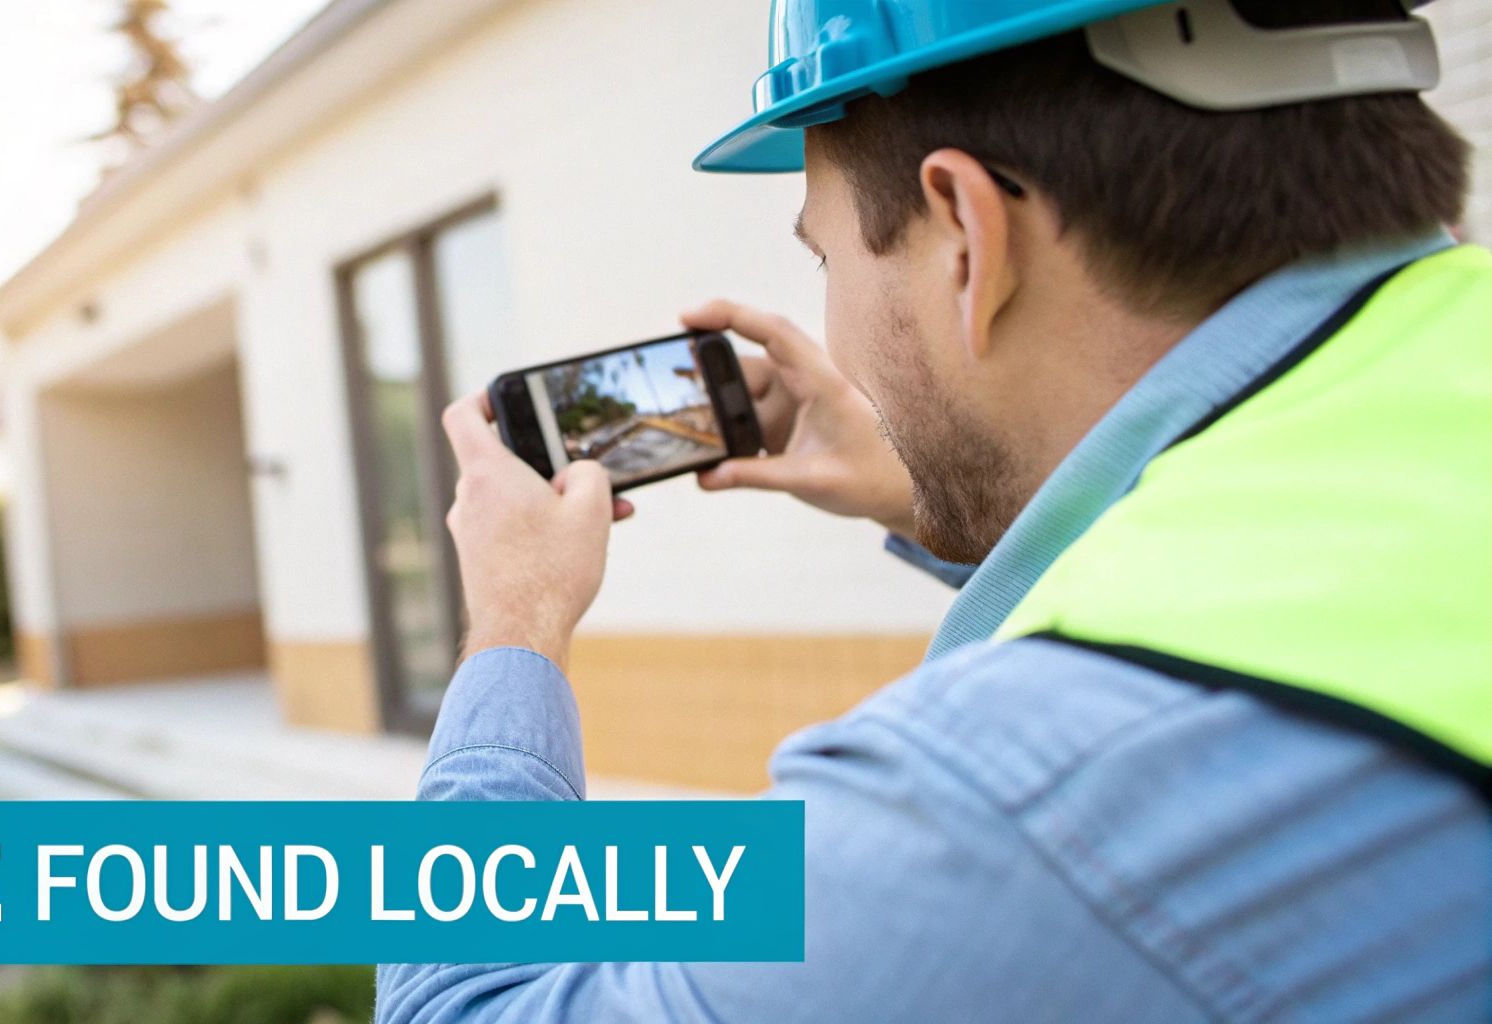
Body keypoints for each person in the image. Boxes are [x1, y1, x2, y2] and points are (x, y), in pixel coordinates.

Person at [378, 0, 1491, 1019]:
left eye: (822, 254)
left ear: (963, 230)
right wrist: (925, 494)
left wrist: (514, 623)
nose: (838, 338)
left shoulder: (1015, 802)